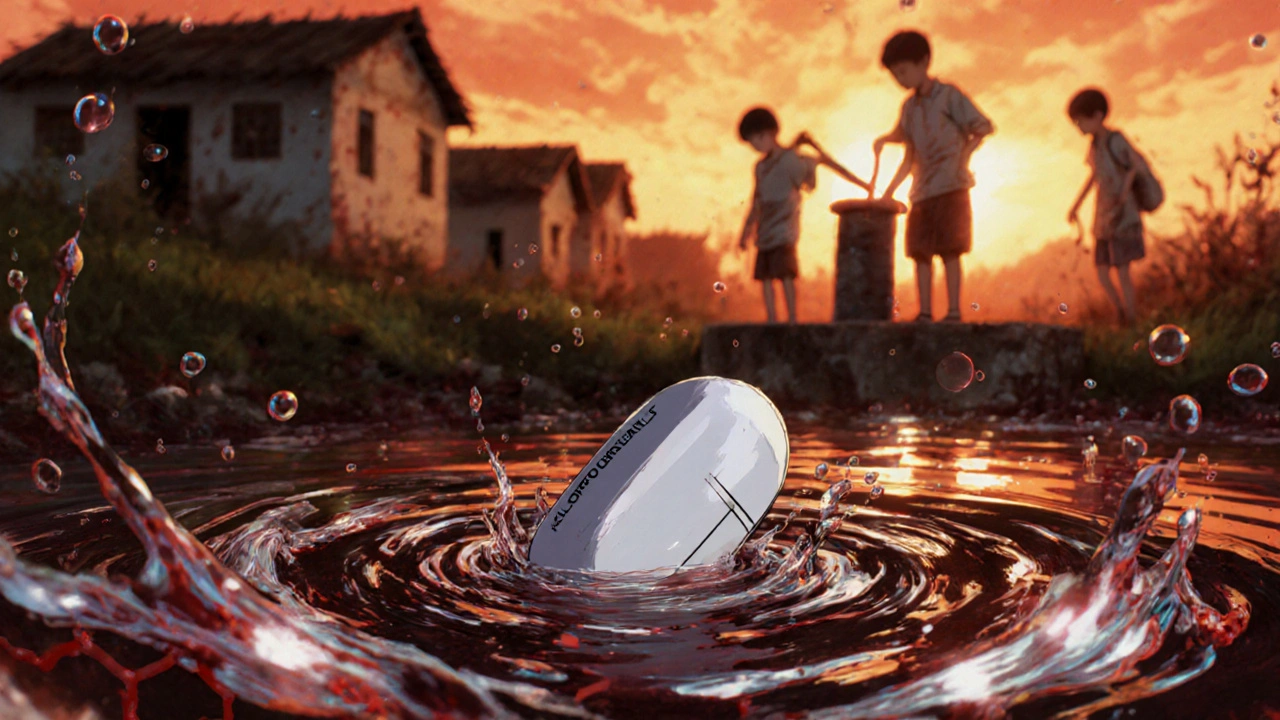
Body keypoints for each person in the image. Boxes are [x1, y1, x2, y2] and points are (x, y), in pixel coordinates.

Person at [874, 30, 995, 322]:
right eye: (896, 75)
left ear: (924, 62)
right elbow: (908, 155)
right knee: (920, 252)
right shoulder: (909, 108)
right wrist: (889, 190)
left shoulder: (949, 96)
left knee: (951, 250)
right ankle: (925, 312)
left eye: (903, 71)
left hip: (951, 187)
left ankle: (953, 311)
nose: (900, 80)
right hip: (921, 192)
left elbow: (983, 127)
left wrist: (963, 158)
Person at [737, 106, 871, 324]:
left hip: (784, 231)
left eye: (757, 139)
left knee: (786, 274)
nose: (756, 146)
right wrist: (745, 232)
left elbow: (822, 170)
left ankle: (791, 318)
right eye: (752, 142)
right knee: (765, 277)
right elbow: (755, 202)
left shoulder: (793, 160)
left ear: (770, 134)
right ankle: (772, 318)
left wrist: (863, 184)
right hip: (765, 232)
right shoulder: (761, 168)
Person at [1066, 88, 1145, 323]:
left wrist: (1123, 192)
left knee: (1122, 269)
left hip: (1122, 214)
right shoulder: (1093, 147)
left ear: (1098, 115)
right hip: (1103, 217)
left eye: (1081, 120)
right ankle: (1120, 311)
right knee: (1102, 271)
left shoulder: (1116, 139)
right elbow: (1093, 176)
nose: (1079, 126)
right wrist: (1076, 205)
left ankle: (1130, 317)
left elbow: (1136, 164)